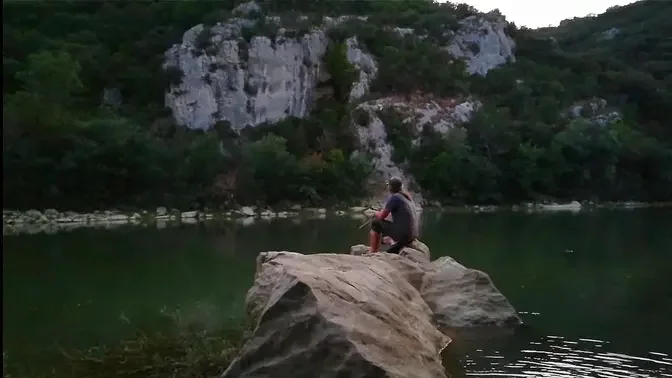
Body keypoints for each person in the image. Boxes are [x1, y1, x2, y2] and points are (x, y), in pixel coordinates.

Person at [369, 177, 419, 254]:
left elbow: (381, 216)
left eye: (388, 185)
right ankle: (392, 242)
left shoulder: (394, 197)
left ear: (391, 187)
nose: (388, 187)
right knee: (385, 226)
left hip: (403, 236)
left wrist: (376, 213)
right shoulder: (407, 197)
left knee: (375, 222)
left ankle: (373, 250)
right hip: (412, 236)